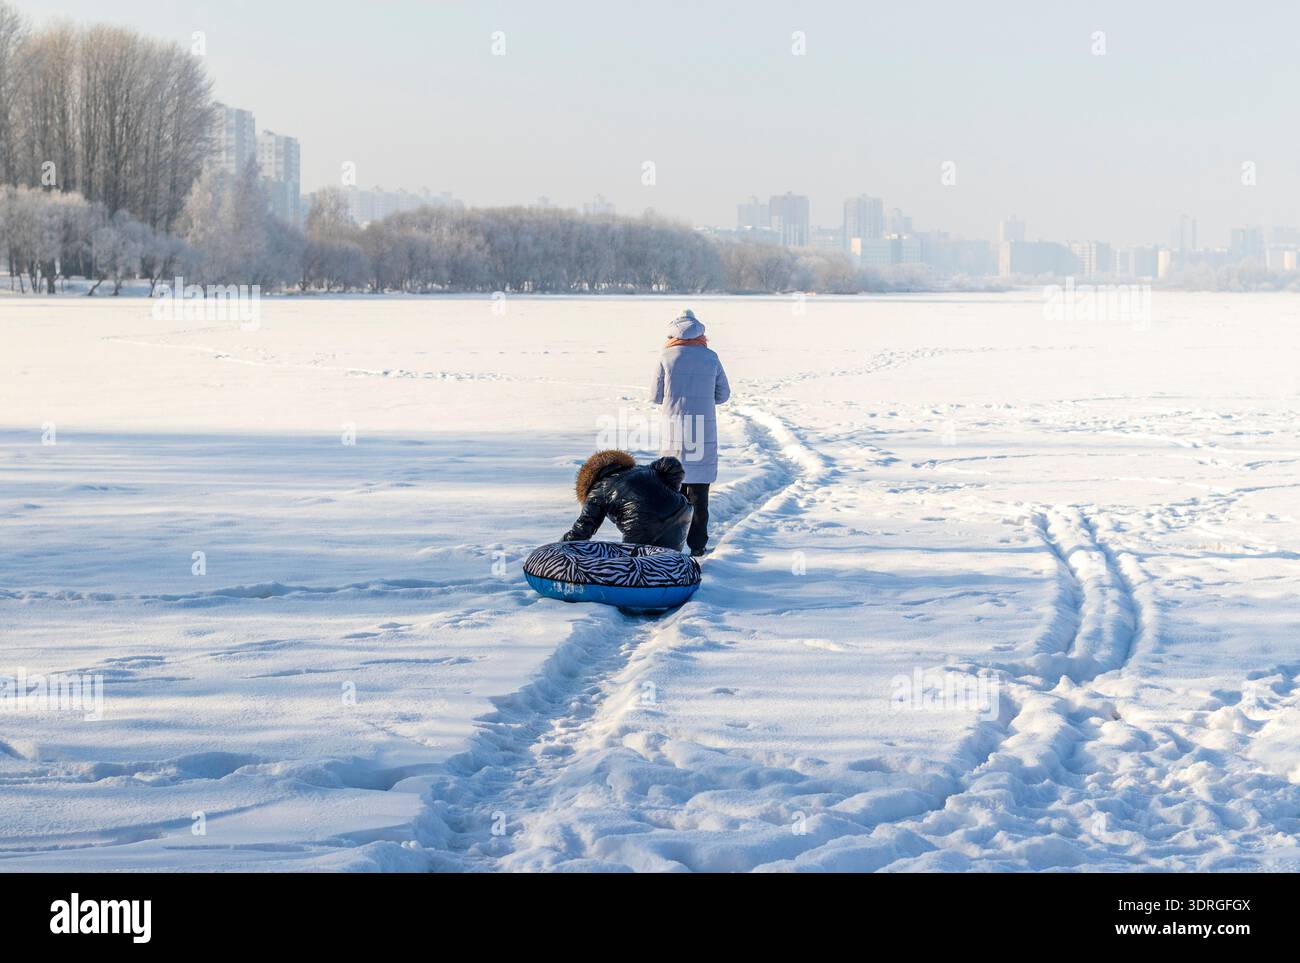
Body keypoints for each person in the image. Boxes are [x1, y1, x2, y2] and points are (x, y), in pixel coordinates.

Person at [650, 309, 730, 557]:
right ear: (701, 332)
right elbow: (723, 394)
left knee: (673, 493)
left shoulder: (666, 356)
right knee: (699, 496)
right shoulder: (711, 357)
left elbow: (655, 395)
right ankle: (697, 546)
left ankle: (671, 545)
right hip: (702, 431)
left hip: (674, 432)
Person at [561, 450, 693, 551]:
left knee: (634, 569)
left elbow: (583, 528)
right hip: (681, 511)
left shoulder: (596, 492)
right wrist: (671, 493)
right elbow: (672, 464)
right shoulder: (641, 468)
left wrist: (559, 546)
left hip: (643, 529)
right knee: (668, 561)